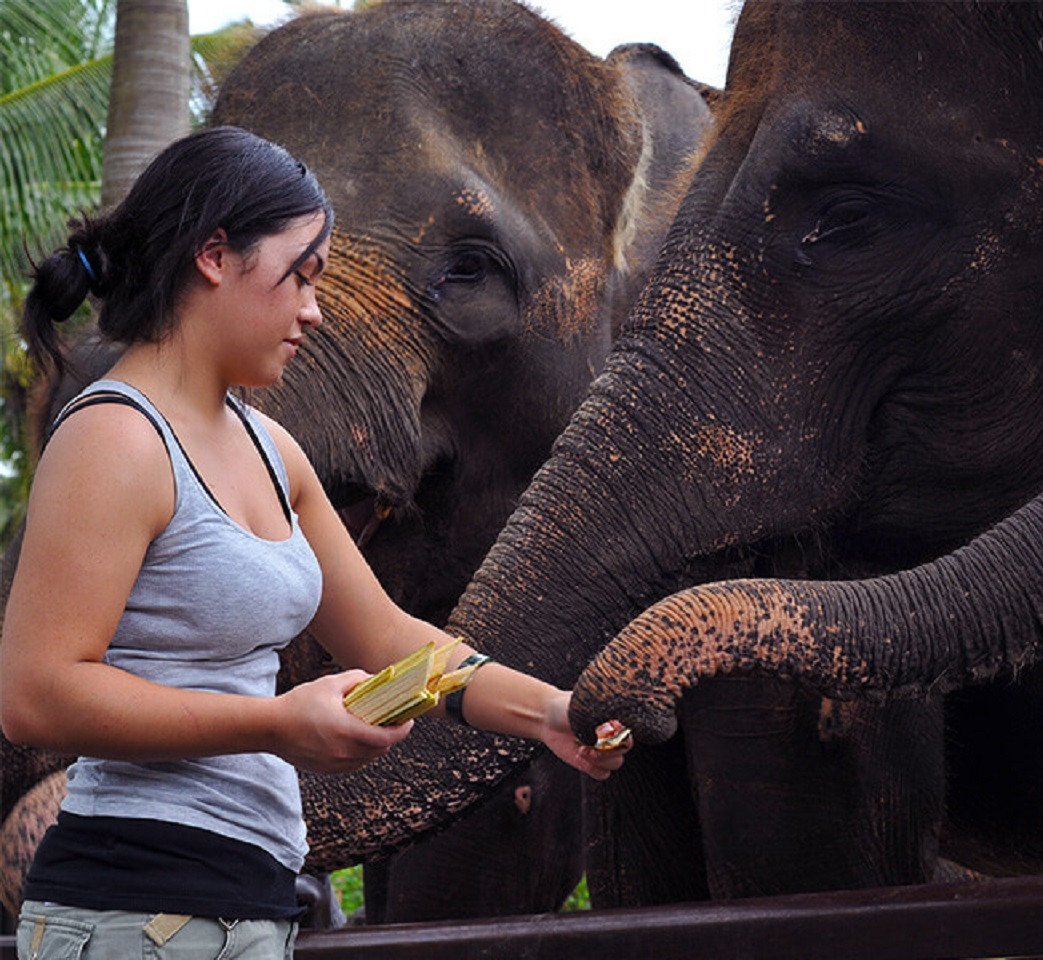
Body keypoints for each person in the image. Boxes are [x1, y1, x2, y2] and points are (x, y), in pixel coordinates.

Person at [0, 125, 628, 959]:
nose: (313, 309)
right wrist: (273, 723)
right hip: (132, 902)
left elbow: (393, 639)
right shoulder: (115, 439)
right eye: (299, 273)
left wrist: (549, 712)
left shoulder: (269, 447)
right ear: (214, 256)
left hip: (246, 899)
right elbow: (36, 694)